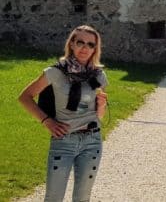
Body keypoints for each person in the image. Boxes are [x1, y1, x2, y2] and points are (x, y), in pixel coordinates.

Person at [19, 25, 108, 202]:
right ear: (72, 44)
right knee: (53, 197)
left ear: (95, 49)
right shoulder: (55, 72)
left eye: (90, 44)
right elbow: (25, 97)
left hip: (92, 141)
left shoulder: (98, 75)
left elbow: (99, 116)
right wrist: (47, 121)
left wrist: (101, 105)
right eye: (80, 42)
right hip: (64, 141)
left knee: (83, 197)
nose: (85, 48)